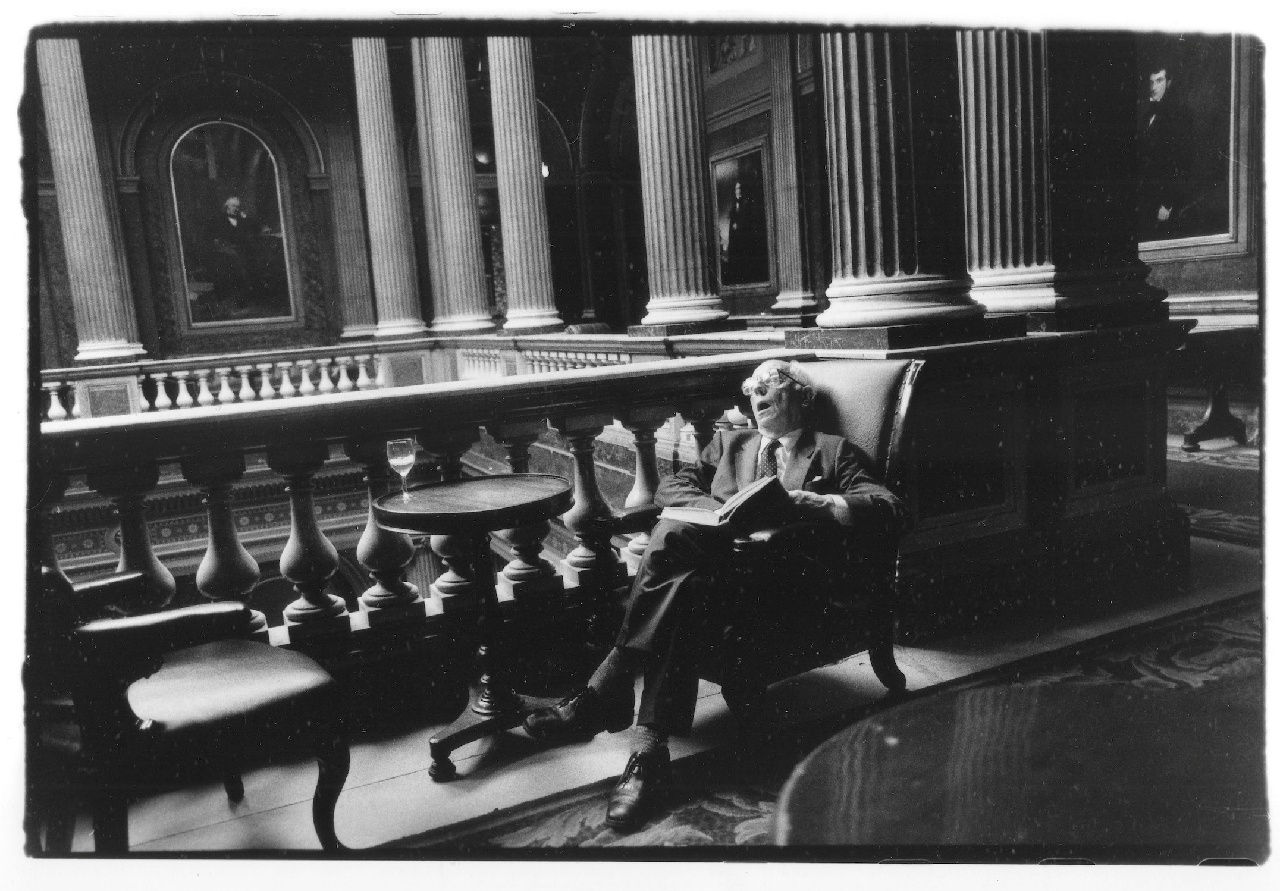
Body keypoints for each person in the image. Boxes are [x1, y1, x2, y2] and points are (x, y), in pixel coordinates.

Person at [523, 359, 903, 830]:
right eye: (751, 388)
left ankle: (607, 687)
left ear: (801, 397)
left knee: (671, 540)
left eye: (770, 386)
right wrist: (724, 513)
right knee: (686, 578)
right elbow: (674, 485)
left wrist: (824, 503)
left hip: (781, 579)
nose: (756, 395)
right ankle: (648, 752)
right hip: (716, 573)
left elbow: (888, 506)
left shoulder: (831, 450)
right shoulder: (730, 442)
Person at [1135, 63, 1195, 240]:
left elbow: (1182, 162)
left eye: (1159, 80)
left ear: (1168, 83)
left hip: (1165, 201)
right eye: (1151, 81)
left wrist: (1167, 204)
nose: (1153, 87)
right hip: (1146, 197)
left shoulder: (1180, 115)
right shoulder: (1147, 116)